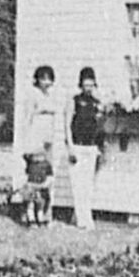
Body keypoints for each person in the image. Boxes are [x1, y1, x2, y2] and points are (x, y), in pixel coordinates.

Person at [64, 67, 102, 229]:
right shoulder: (74, 101)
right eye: (86, 84)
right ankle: (81, 220)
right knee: (77, 184)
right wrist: (70, 146)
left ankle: (87, 217)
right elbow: (67, 125)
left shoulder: (97, 103)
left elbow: (99, 126)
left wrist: (98, 146)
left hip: (91, 147)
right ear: (81, 84)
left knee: (88, 185)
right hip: (77, 146)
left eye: (91, 84)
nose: (88, 87)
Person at [24, 65, 58, 163]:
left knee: (48, 162)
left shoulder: (50, 95)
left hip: (48, 132)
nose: (47, 82)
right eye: (43, 79)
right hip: (37, 131)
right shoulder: (33, 93)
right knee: (38, 162)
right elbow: (29, 115)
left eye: (49, 79)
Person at [21, 151, 54, 226]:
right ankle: (31, 220)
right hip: (32, 187)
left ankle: (41, 220)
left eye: (36, 156)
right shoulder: (31, 164)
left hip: (41, 188)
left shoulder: (46, 165)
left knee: (40, 206)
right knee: (30, 204)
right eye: (33, 156)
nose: (34, 158)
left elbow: (50, 177)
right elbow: (25, 156)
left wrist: (45, 185)